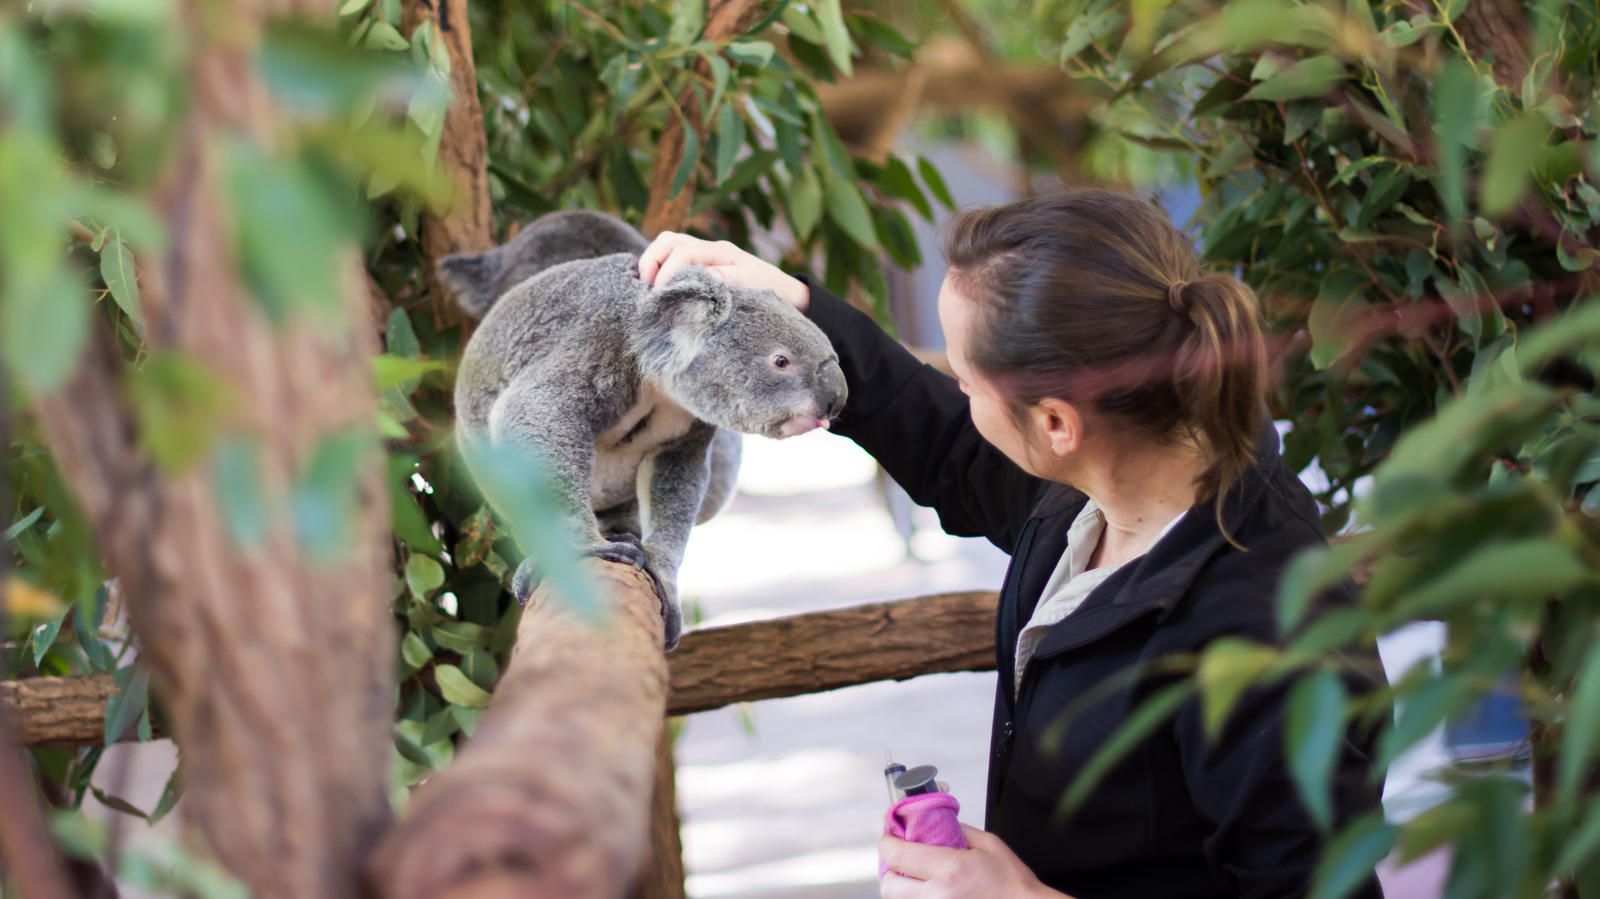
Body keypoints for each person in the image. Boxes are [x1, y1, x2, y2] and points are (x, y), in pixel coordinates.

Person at [638, 188, 1386, 899]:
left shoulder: (1264, 635)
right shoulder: (1103, 487)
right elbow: (951, 448)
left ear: (1057, 424)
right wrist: (796, 309)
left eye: (966, 379)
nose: (957, 391)